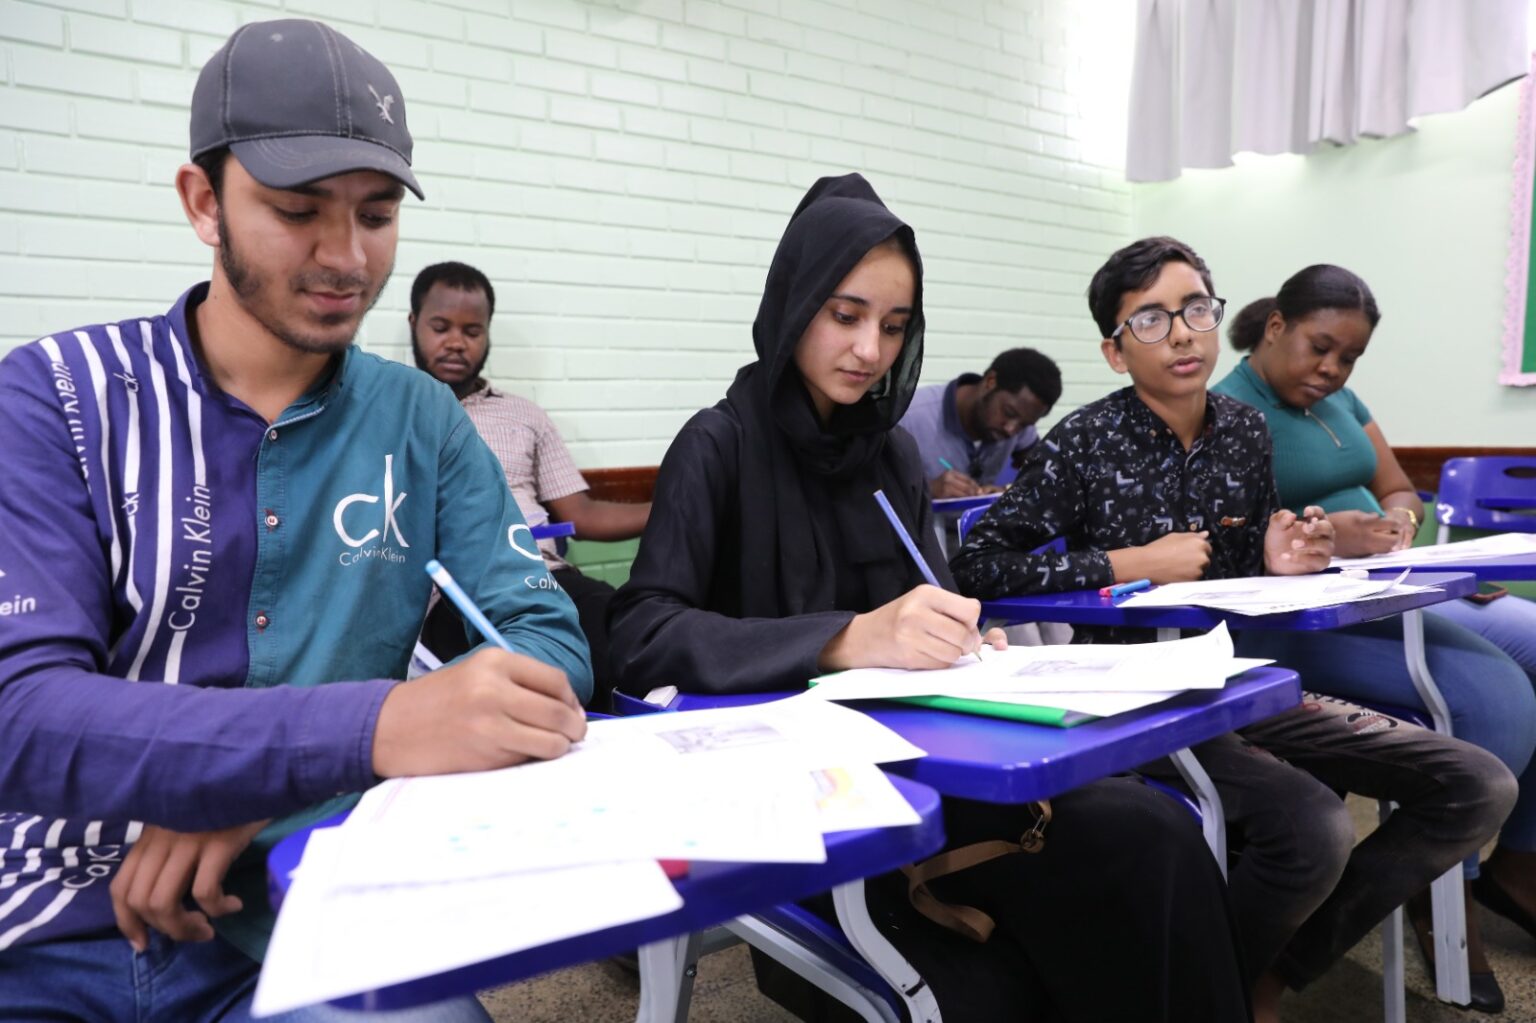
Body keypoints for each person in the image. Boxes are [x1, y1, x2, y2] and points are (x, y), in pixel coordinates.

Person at [0, 20, 591, 1021]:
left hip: (306, 907)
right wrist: (372, 726)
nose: (346, 257)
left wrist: (265, 791)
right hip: (52, 918)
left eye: (375, 213)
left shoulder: (421, 421)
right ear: (203, 202)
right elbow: (23, 714)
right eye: (295, 209)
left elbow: (546, 646)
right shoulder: (57, 396)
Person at [609, 176, 1252, 1021]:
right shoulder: (717, 444)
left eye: (894, 325)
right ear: (794, 303)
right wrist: (843, 638)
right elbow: (644, 630)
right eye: (845, 315)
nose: (870, 350)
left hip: (942, 770)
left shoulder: (888, 458)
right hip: (811, 808)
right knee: (997, 994)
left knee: (1154, 839)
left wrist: (967, 636)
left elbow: (940, 604)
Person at [951, 237, 1516, 1021]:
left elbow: (1243, 559)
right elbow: (978, 563)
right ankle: (1211, 993)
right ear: (1115, 352)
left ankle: (1263, 972)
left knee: (1477, 784)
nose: (1181, 332)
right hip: (1136, 702)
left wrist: (1282, 555)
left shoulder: (1245, 432)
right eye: (1149, 319)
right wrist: (1126, 561)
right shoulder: (1083, 441)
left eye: (1193, 309)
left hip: (1242, 683)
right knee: (1314, 828)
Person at [1212, 264, 1536, 1003]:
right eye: (1319, 348)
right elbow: (1233, 542)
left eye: (1348, 356)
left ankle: (1518, 860)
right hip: (1308, 610)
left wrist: (1397, 520)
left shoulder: (1342, 399)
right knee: (1499, 700)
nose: (1331, 368)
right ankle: (1444, 884)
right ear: (1274, 328)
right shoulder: (1227, 411)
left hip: (1393, 583)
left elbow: (1396, 484)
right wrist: (1328, 539)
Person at [408, 260, 648, 709]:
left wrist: (676, 506)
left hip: (546, 576)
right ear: (413, 324)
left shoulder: (524, 415)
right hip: (457, 595)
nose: (456, 342)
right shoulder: (397, 414)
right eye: (440, 327)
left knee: (630, 628)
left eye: (472, 330)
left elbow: (584, 514)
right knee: (517, 680)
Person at [899, 347, 1061, 497]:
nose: (1011, 430)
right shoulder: (909, 416)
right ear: (990, 381)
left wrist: (1008, 491)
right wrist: (928, 489)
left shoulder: (1020, 421)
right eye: (1008, 413)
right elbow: (876, 494)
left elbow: (1043, 472)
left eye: (1024, 425)